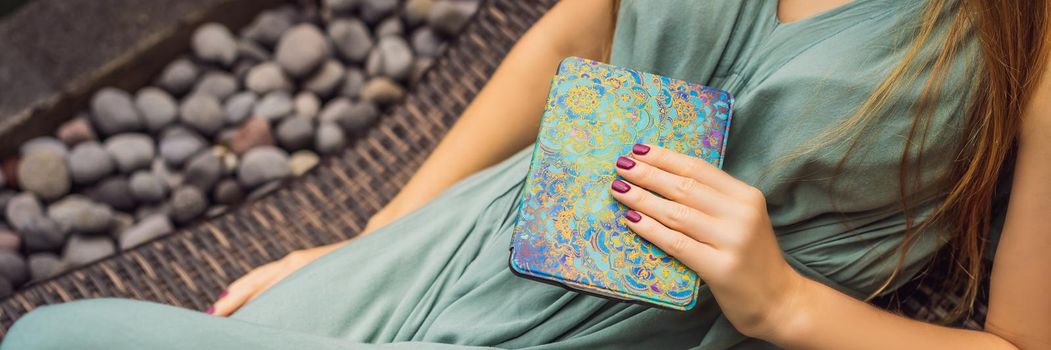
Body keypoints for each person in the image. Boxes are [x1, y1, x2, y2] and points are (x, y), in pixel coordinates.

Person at [4, 0, 1050, 348]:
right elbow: (577, 27)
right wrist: (370, 234)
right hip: (461, 241)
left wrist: (786, 303)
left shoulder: (1031, 37)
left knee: (52, 335)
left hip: (647, 331)